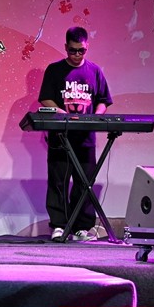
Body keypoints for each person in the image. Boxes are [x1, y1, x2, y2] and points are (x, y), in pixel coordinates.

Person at [38, 26, 114, 243]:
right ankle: (60, 225)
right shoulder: (54, 70)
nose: (77, 55)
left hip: (85, 138)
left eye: (82, 50)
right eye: (73, 50)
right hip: (61, 137)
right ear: (66, 47)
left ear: (87, 47)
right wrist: (62, 114)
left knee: (84, 182)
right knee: (58, 182)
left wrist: (96, 117)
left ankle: (81, 227)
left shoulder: (95, 71)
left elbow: (103, 100)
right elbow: (45, 98)